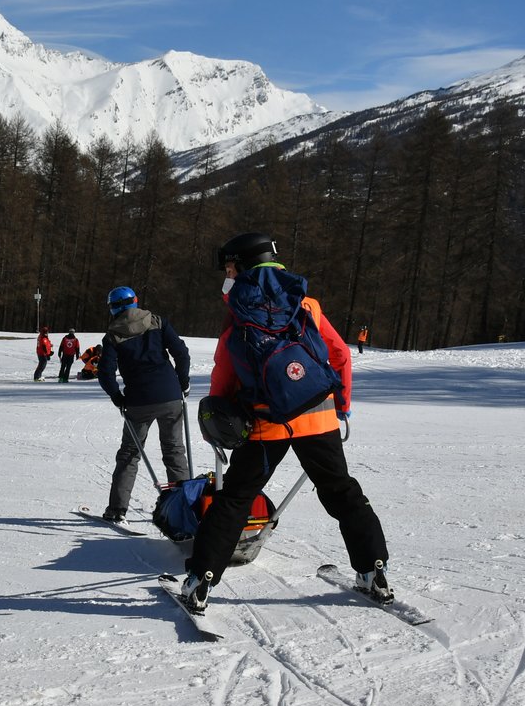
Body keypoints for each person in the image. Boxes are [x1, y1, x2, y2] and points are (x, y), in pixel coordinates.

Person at [178, 232, 390, 612]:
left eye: (229, 268)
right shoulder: (306, 303)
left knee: (234, 501)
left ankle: (200, 580)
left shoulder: (239, 309)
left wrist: (218, 414)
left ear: (242, 265)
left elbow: (224, 372)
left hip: (265, 423)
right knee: (342, 492)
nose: (227, 275)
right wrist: (341, 405)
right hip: (318, 416)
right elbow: (340, 355)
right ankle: (374, 570)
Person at [96, 287, 191, 522]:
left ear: (113, 308)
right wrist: (182, 382)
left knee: (130, 453)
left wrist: (117, 397)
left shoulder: (112, 336)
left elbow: (105, 374)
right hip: (170, 396)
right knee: (174, 450)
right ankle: (186, 506)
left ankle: (117, 510)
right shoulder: (157, 322)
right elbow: (181, 353)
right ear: (135, 302)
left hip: (138, 402)